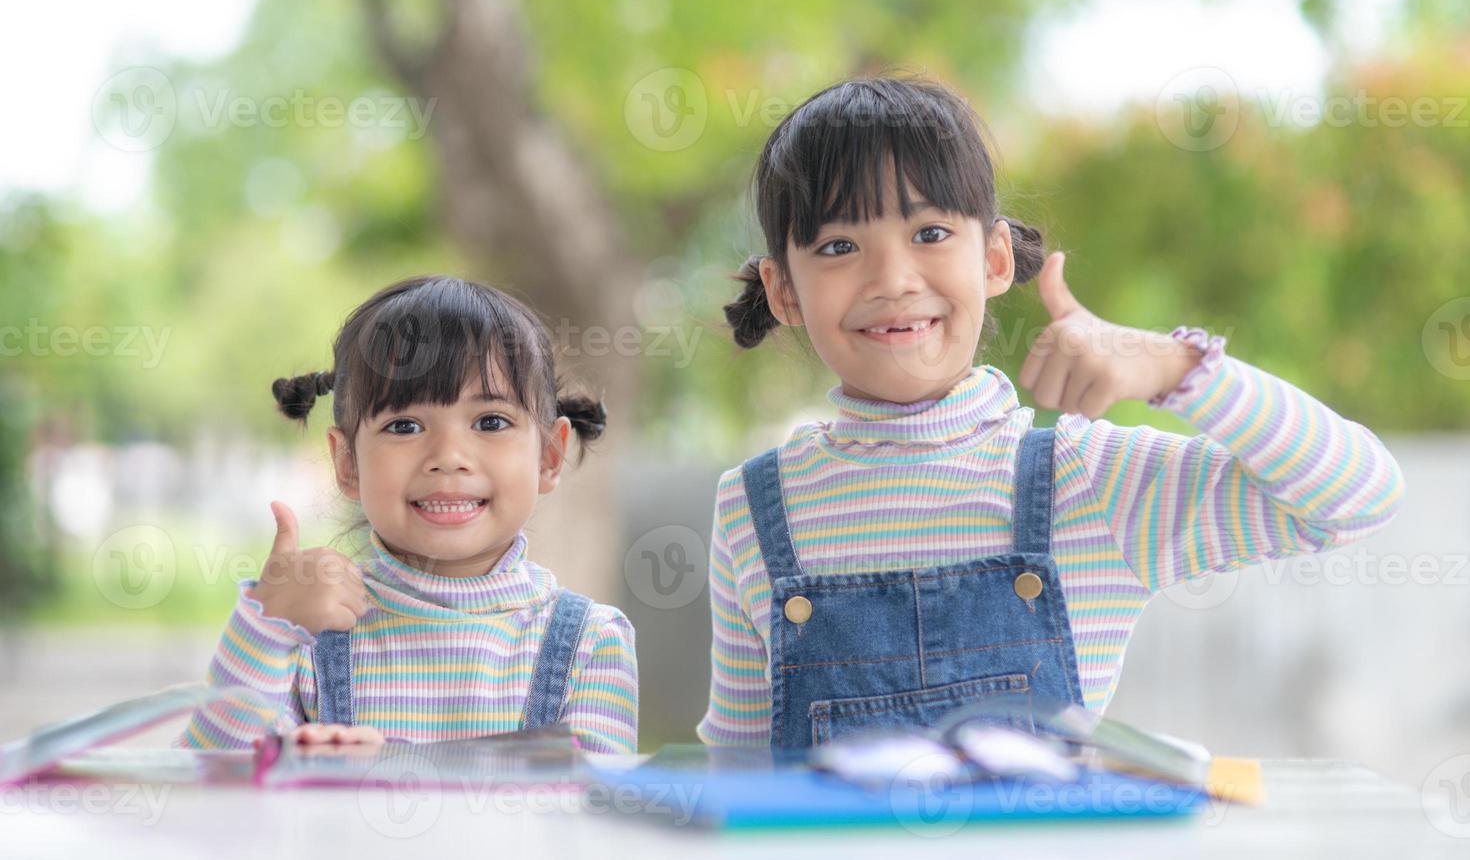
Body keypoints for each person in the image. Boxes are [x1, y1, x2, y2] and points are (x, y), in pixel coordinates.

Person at [699, 76, 1405, 749]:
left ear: (996, 258)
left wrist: (1176, 368)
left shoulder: (1088, 478)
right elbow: (734, 763)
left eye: (931, 233)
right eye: (839, 246)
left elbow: (1356, 497)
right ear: (784, 290)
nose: (894, 280)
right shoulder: (752, 509)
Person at [176, 275, 637, 752]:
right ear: (348, 463)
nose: (448, 455)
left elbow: (597, 815)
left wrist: (386, 767)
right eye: (405, 425)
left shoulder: (589, 644)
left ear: (549, 457)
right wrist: (265, 629)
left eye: (491, 422)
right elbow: (207, 789)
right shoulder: (304, 632)